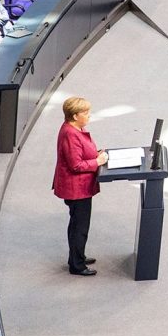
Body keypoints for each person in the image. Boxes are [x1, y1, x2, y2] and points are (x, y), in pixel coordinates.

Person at [52, 96, 107, 276]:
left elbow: (81, 155)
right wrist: (97, 161)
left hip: (80, 187)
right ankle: (77, 265)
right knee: (79, 227)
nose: (89, 116)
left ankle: (78, 256)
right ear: (75, 116)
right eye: (85, 113)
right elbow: (76, 165)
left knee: (78, 224)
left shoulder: (74, 129)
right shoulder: (70, 134)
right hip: (76, 189)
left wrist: (95, 155)